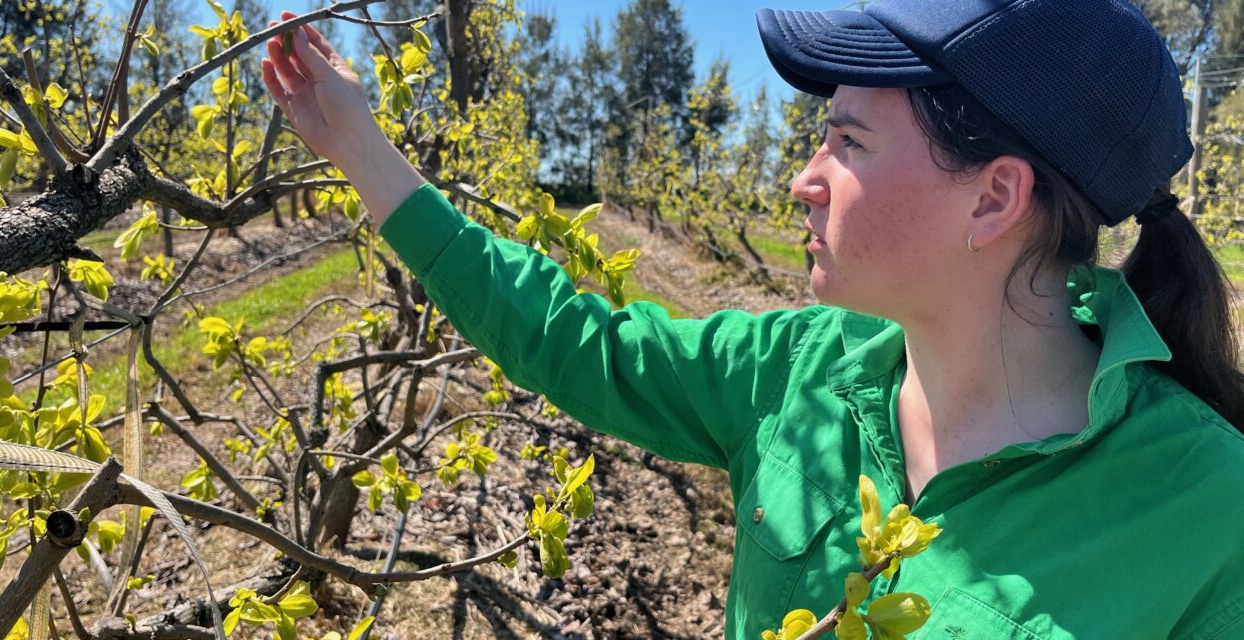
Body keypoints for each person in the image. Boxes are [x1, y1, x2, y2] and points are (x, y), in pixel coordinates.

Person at [261, 0, 1244, 637]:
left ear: (991, 199)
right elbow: (570, 337)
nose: (799, 181)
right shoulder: (794, 373)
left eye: (846, 142)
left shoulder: (1209, 510)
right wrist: (361, 150)